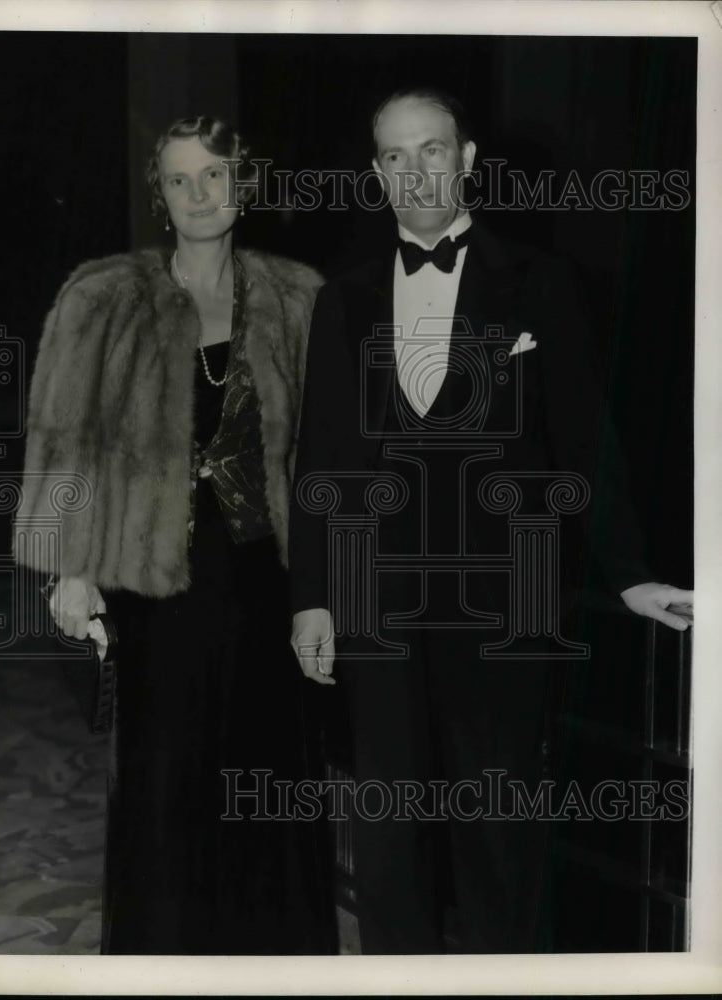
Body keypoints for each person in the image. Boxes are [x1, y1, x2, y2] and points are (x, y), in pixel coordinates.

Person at [289, 86, 693, 954]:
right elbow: (320, 460)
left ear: (466, 160)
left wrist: (627, 571)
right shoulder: (344, 299)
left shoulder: (540, 282)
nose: (413, 171)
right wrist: (312, 597)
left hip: (502, 605)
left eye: (430, 148)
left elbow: (588, 439)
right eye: (393, 156)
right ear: (375, 173)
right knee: (390, 826)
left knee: (499, 826)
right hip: (376, 605)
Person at [16, 115, 338, 955]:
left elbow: (325, 454)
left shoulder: (299, 296)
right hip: (152, 582)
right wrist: (69, 569)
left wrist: (326, 591)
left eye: (215, 176)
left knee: (270, 779)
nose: (199, 195)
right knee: (164, 784)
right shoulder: (104, 297)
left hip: (268, 579)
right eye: (179, 180)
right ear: (158, 195)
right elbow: (65, 439)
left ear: (245, 184)